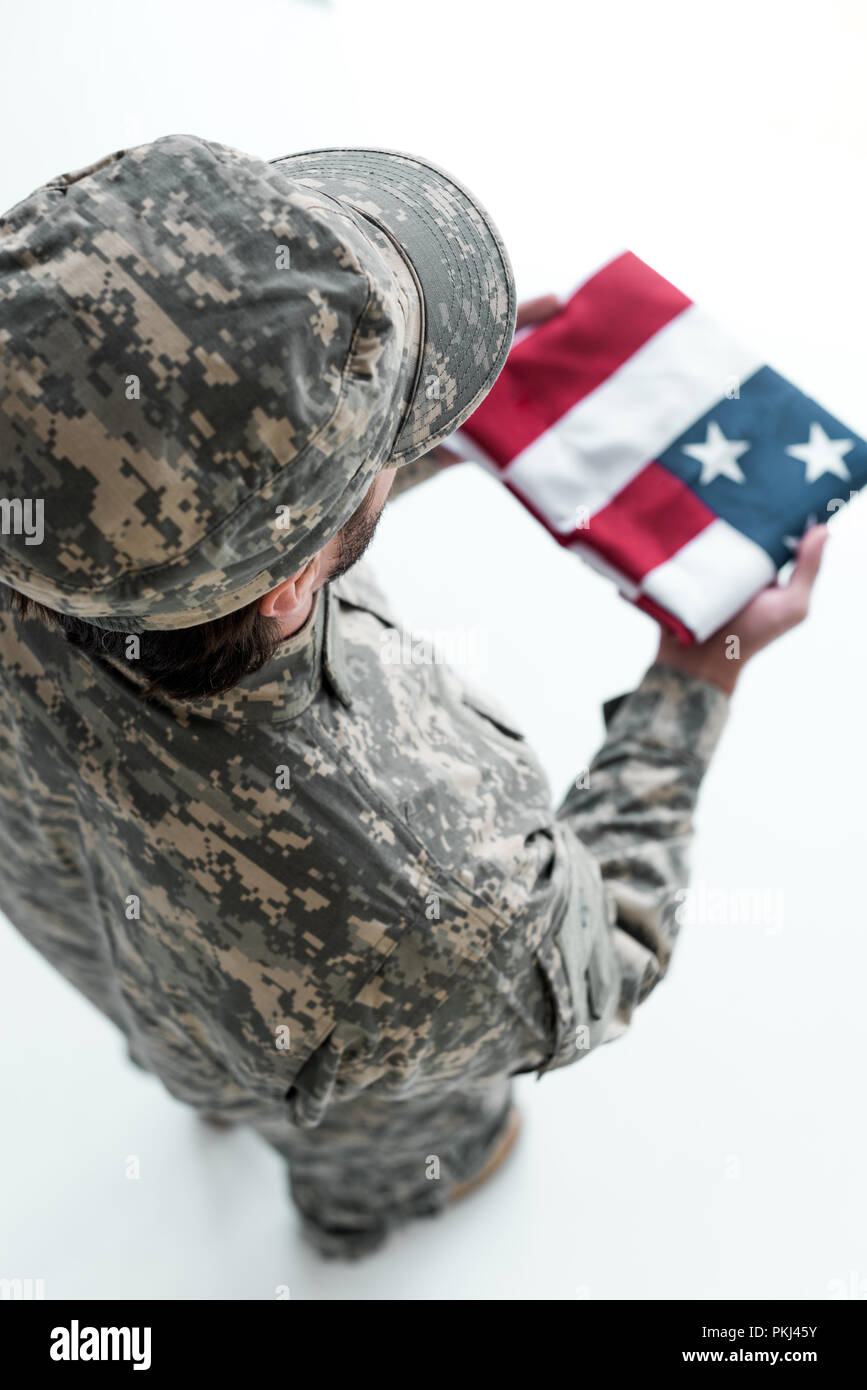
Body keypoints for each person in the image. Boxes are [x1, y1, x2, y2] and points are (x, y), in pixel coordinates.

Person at [0, 134, 826, 1258]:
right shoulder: (428, 895)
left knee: (178, 1035)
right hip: (364, 1090)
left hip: (117, 958)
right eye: (392, 435)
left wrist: (397, 435)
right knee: (393, 1158)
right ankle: (355, 1222)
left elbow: (143, 479)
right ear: (289, 588)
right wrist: (698, 677)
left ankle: (193, 1083)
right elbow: (601, 952)